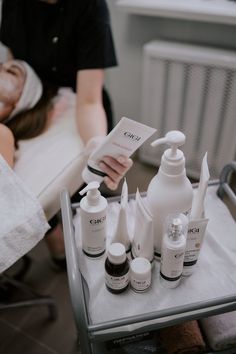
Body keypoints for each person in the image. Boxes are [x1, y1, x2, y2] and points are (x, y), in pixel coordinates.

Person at [0, 0, 133, 268]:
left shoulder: (90, 8)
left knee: (78, 196)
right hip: (29, 101)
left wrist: (96, 144)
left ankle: (64, 246)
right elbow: (15, 62)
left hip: (78, 102)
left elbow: (88, 101)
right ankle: (57, 238)